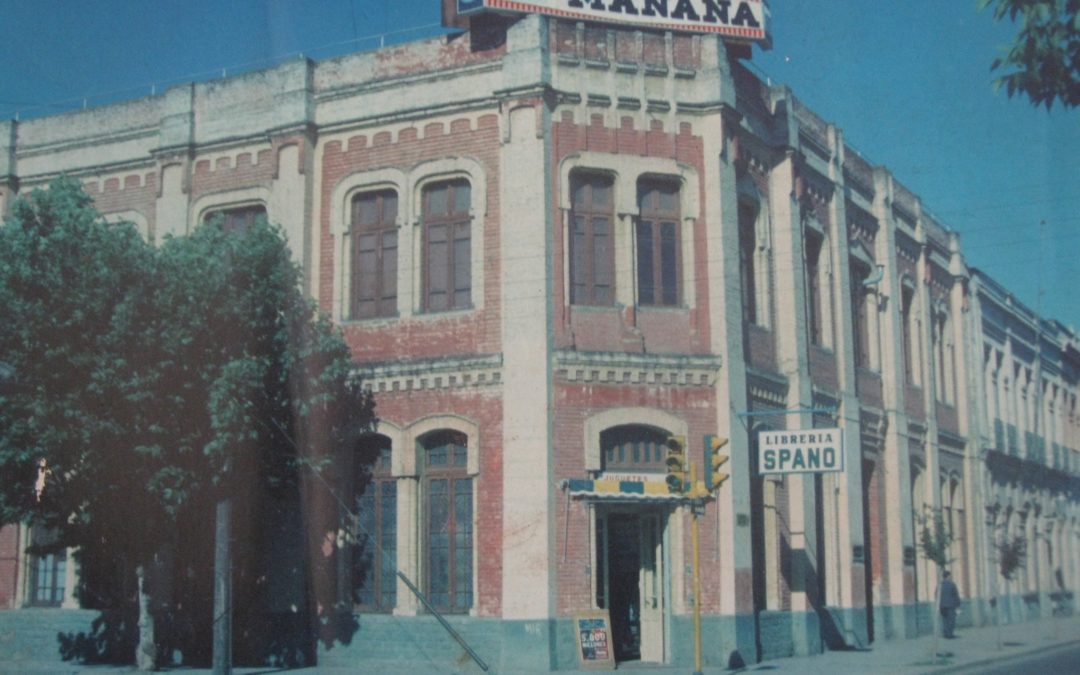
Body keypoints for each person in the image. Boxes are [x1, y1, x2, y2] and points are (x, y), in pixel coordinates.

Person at [939, 570, 961, 638]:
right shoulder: (952, 584)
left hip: (942, 606)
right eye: (950, 576)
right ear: (948, 576)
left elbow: (936, 595)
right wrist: (958, 605)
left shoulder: (940, 585)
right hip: (950, 605)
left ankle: (945, 633)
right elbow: (956, 595)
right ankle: (950, 634)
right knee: (951, 620)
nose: (951, 577)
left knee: (944, 620)